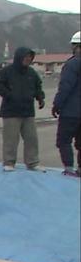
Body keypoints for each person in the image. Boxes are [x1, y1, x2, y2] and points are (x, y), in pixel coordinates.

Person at [0, 46, 47, 172]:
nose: (28, 59)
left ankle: (32, 163)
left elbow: (38, 87)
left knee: (31, 138)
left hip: (28, 111)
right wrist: (9, 95)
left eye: (30, 57)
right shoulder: (6, 71)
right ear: (19, 57)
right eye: (26, 57)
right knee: (11, 139)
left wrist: (40, 98)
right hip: (11, 111)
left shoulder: (32, 73)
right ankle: (9, 162)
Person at [52, 31, 81, 177]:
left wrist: (56, 105)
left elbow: (65, 87)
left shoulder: (73, 64)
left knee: (64, 141)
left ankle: (69, 168)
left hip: (71, 112)